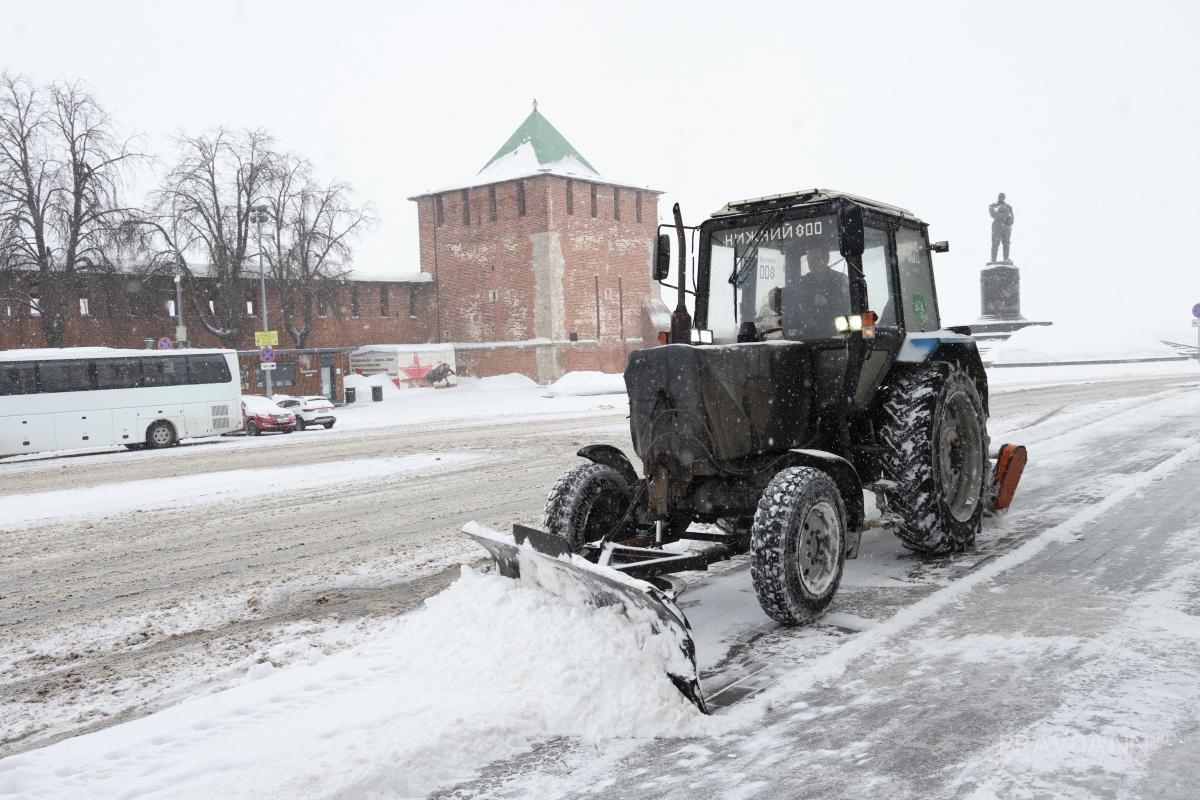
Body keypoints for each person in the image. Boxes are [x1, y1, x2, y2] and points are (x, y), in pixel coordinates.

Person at [791, 244, 850, 336]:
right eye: (810, 260)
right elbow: (794, 300)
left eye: (816, 259)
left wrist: (827, 303)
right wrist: (777, 296)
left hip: (836, 334)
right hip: (808, 333)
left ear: (826, 259)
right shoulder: (803, 281)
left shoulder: (840, 279)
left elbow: (849, 307)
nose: (813, 264)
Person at [989, 192, 1014, 264]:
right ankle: (993, 260)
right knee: (995, 244)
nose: (1001, 198)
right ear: (998, 197)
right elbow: (993, 214)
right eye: (1000, 196)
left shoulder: (1009, 207)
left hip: (1006, 228)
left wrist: (1006, 222)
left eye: (1002, 197)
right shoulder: (993, 206)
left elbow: (1012, 219)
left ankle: (1006, 259)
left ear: (1004, 198)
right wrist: (1004, 216)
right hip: (997, 227)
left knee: (1006, 244)